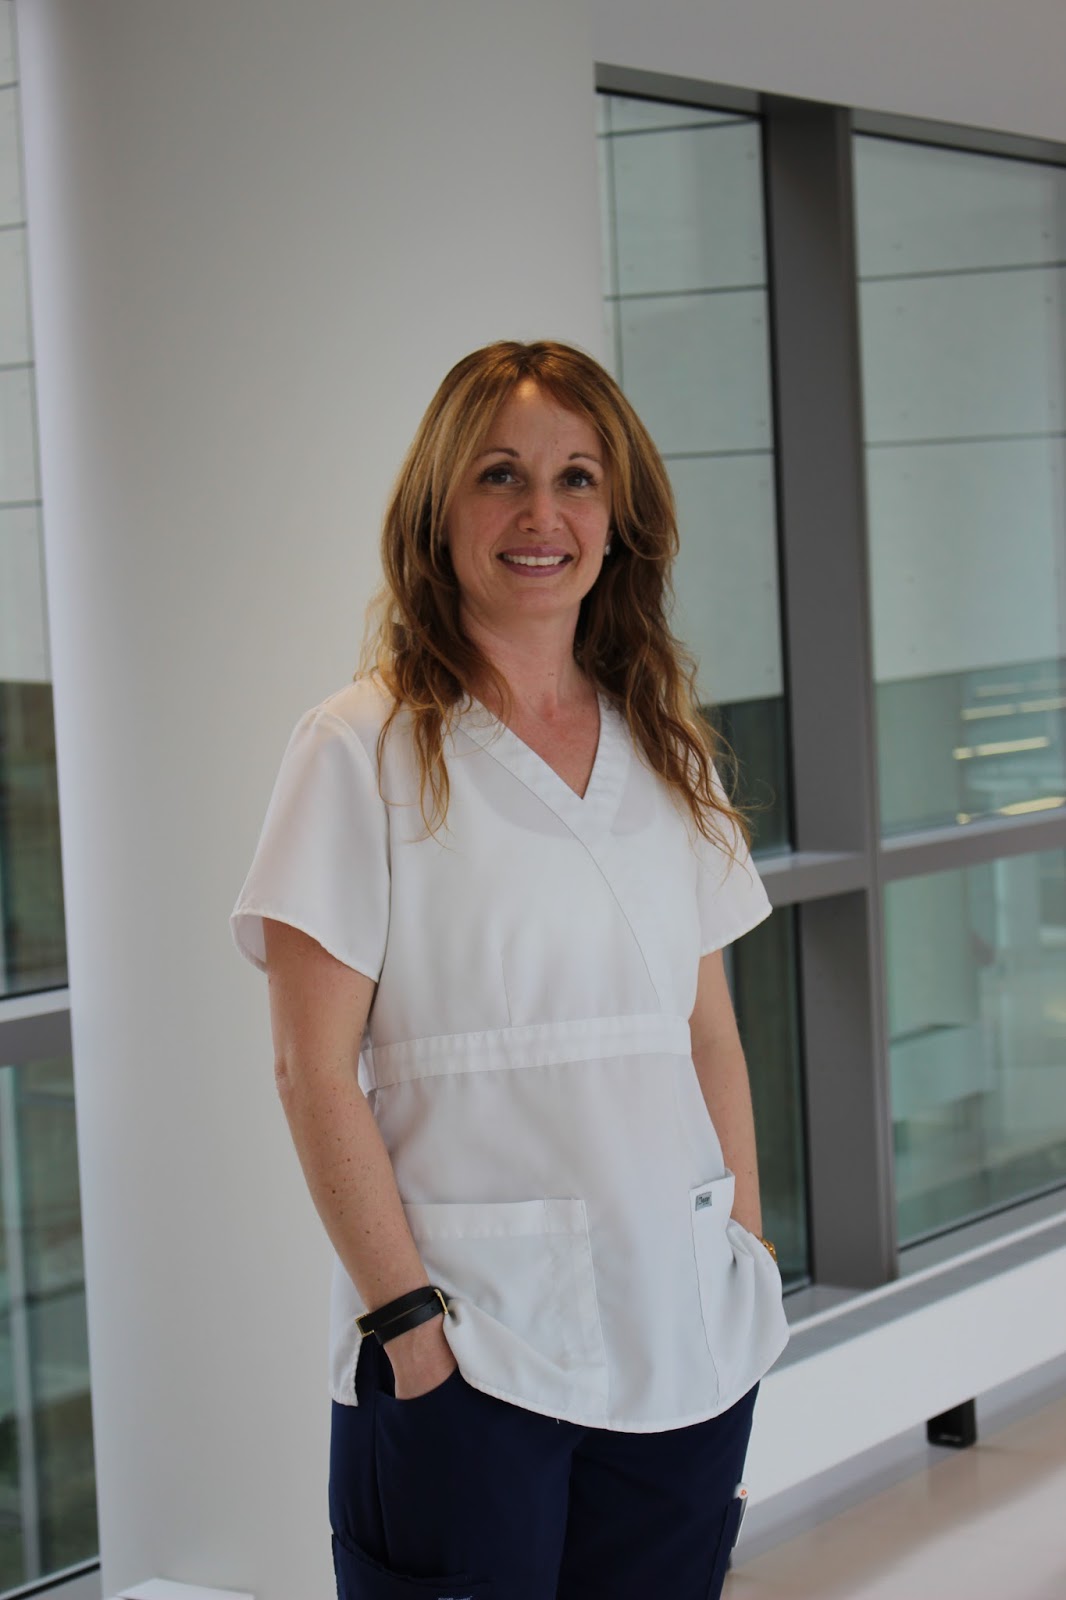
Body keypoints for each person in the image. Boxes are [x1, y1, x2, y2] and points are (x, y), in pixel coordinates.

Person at [231, 340, 789, 1599]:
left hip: (683, 1341)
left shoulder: (668, 752)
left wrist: (743, 1257)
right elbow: (310, 1069)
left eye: (577, 477)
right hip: (470, 1353)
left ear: (619, 514)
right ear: (440, 509)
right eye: (500, 475)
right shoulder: (359, 748)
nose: (543, 514)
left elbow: (707, 1036)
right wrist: (410, 1336)